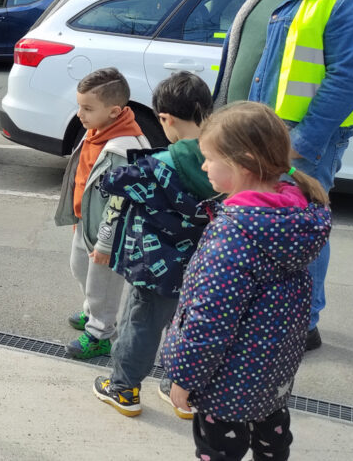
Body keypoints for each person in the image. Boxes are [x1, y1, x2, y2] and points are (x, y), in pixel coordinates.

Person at [212, 0, 353, 351]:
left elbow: (352, 76)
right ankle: (268, 311)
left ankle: (302, 324)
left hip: (300, 139)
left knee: (300, 231)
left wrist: (302, 140)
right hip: (257, 133)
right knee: (262, 226)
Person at [162, 102, 331, 461]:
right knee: (272, 437)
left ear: (243, 163)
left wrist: (184, 377)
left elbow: (210, 320)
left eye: (209, 158)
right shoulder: (295, 213)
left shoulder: (235, 235)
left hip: (225, 382)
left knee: (220, 449)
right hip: (272, 374)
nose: (204, 165)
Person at [91, 72, 219, 418]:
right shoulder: (224, 160)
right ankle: (180, 390)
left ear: (165, 119)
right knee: (188, 327)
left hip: (156, 268)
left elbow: (112, 182)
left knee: (141, 325)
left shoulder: (158, 165)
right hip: (205, 267)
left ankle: (123, 389)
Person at [55, 67, 149, 358]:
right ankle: (93, 311)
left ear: (114, 111)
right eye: (79, 106)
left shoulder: (125, 149)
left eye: (87, 108)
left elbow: (121, 203)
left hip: (109, 234)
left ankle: (100, 333)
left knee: (103, 283)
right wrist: (78, 217)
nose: (80, 114)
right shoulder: (95, 131)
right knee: (80, 268)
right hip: (88, 223)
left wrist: (107, 243)